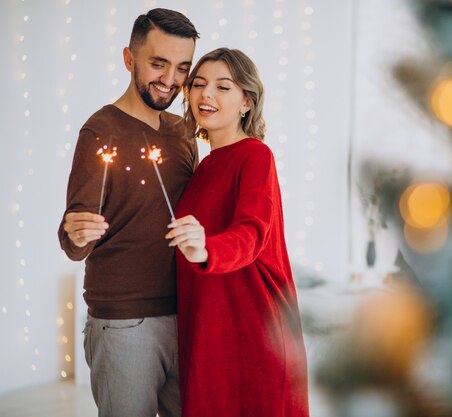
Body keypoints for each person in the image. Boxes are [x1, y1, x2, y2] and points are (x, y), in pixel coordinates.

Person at [58, 9, 199, 417]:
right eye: (158, 63)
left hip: (188, 312)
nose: (170, 80)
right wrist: (76, 233)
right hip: (124, 323)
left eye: (182, 68)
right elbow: (72, 240)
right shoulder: (99, 130)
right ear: (129, 58)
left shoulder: (183, 131)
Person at [165, 48, 310, 417]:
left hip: (252, 330)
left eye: (222, 87)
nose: (205, 94)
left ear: (247, 101)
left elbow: (251, 232)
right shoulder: (202, 167)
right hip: (208, 332)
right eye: (198, 84)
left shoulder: (255, 156)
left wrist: (206, 251)